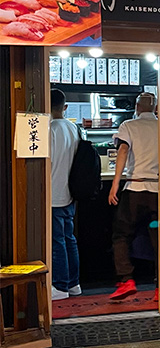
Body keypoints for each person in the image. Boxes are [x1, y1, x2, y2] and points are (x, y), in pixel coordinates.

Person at [108, 92, 159, 300]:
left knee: (121, 235)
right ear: (155, 108)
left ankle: (126, 280)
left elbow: (122, 152)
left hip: (135, 190)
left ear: (137, 107)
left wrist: (115, 184)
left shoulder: (128, 125)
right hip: (159, 192)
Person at [50, 89, 82, 301]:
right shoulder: (74, 128)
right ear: (65, 107)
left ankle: (60, 286)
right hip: (72, 192)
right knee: (69, 239)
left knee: (57, 241)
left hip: (53, 192)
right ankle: (74, 284)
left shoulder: (48, 129)